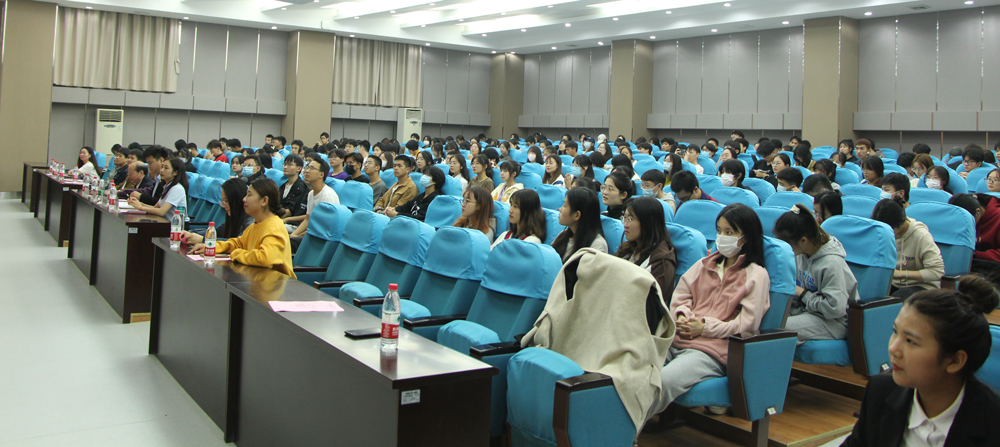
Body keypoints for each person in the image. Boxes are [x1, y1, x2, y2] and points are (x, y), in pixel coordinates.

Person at [648, 203, 770, 419]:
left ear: (747, 237)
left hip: (710, 352)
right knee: (636, 367)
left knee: (663, 381)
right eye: (719, 231)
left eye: (730, 232)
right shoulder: (704, 264)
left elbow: (747, 324)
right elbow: (680, 297)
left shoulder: (756, 275)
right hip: (676, 339)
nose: (722, 237)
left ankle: (623, 432)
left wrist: (704, 328)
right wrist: (682, 316)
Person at [841, 287, 1000, 447]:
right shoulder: (881, 391)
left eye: (911, 341)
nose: (893, 349)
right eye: (895, 332)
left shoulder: (992, 424)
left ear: (954, 361)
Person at [773, 204, 858, 343]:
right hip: (806, 310)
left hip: (832, 321)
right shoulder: (801, 254)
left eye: (787, 245)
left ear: (804, 241)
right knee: (764, 319)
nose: (785, 250)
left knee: (778, 329)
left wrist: (802, 294)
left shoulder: (832, 263)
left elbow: (835, 308)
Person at [192, 178, 296, 278]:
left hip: (276, 286)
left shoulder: (274, 226)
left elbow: (265, 258)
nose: (244, 199)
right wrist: (211, 247)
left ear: (264, 201)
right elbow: (238, 244)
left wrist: (237, 254)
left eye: (249, 195)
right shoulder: (256, 225)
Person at [871, 197, 946, 298]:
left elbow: (937, 272)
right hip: (894, 283)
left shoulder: (921, 236)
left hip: (921, 286)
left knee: (896, 298)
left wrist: (901, 274)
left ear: (900, 223)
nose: (888, 235)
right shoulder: (882, 233)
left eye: (891, 231)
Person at [615, 196, 677, 302]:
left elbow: (653, 304)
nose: (625, 225)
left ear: (648, 223)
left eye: (630, 219)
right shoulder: (628, 248)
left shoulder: (662, 262)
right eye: (624, 218)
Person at [287, 158, 339, 250]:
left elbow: (320, 227)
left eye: (312, 168)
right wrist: (294, 234)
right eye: (307, 167)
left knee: (288, 242)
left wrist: (297, 236)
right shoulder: (311, 193)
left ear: (321, 174)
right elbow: (307, 219)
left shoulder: (327, 195)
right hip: (312, 233)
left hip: (322, 238)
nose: (307, 171)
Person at [181, 178, 254, 244]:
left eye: (226, 201)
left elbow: (237, 244)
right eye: (223, 202)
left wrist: (203, 240)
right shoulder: (233, 218)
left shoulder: (250, 222)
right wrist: (191, 234)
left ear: (237, 200)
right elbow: (216, 231)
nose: (223, 206)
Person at [551, 188, 608, 262]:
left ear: (577, 215)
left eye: (564, 205)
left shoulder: (597, 245)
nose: (560, 209)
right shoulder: (563, 235)